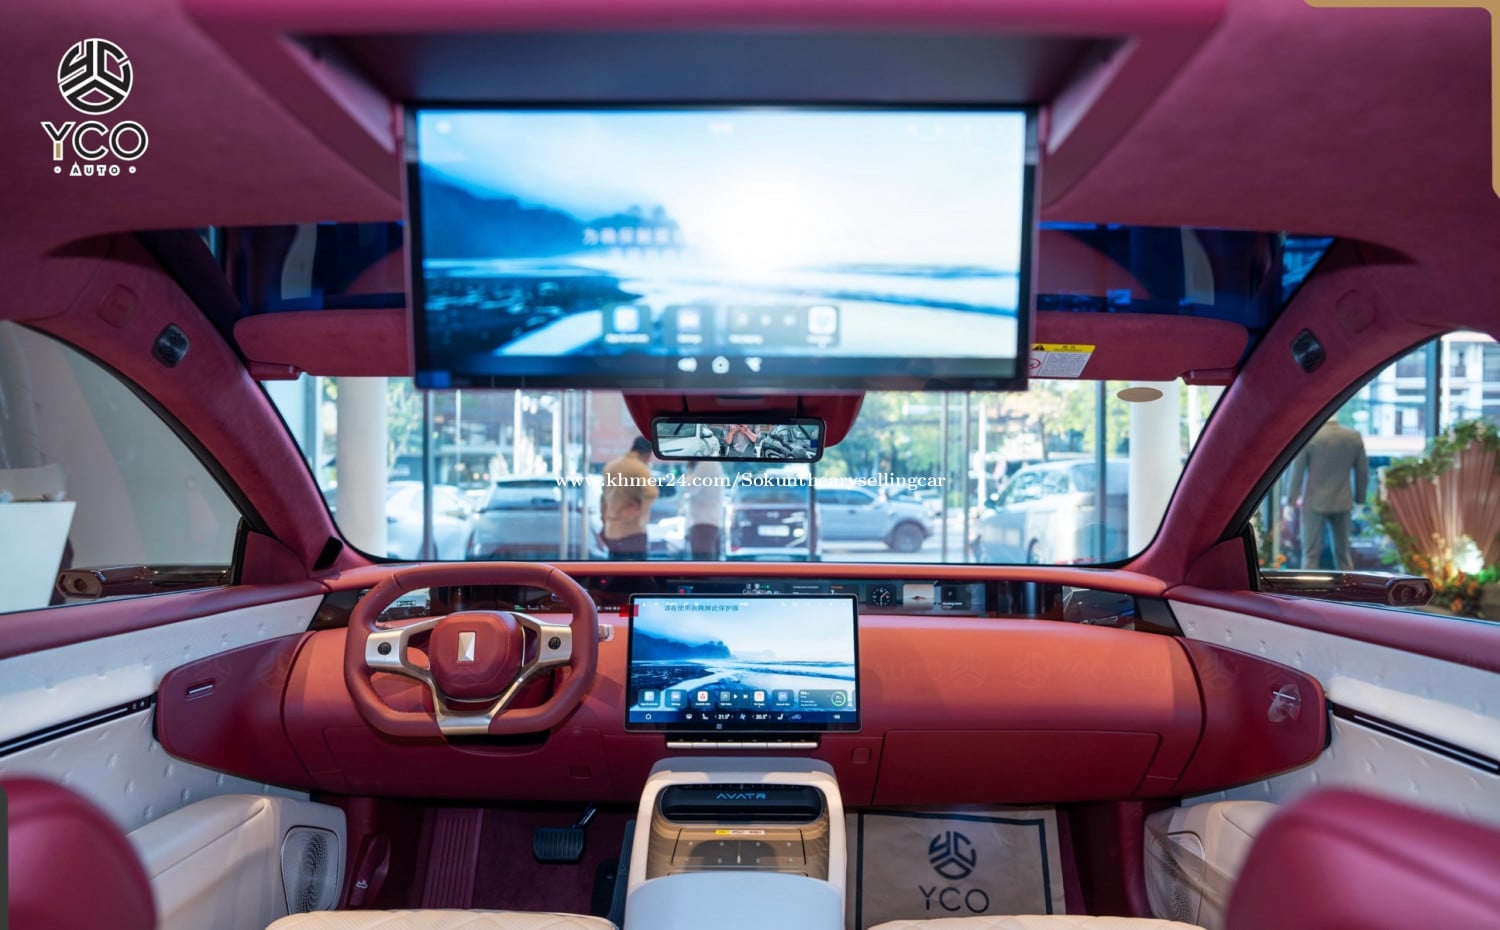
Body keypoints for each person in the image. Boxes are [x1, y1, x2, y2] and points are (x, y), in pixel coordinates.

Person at [1287, 417, 1368, 570]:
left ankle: (1307, 586)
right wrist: (1360, 501)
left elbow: (1297, 471)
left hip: (1314, 502)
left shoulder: (1309, 437)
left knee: (1310, 555)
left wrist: (1290, 502)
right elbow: (1362, 472)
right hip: (1343, 501)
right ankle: (1348, 585)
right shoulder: (1353, 437)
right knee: (1344, 556)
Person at [599, 436, 658, 560]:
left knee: (615, 569)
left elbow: (604, 500)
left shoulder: (610, 466)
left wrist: (604, 523)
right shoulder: (640, 468)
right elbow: (651, 493)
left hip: (612, 531)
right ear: (648, 453)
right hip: (633, 531)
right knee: (636, 570)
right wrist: (638, 509)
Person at [679, 459, 725, 560]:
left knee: (702, 564)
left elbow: (690, 487)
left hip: (703, 523)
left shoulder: (707, 464)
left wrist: (689, 469)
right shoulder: (710, 464)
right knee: (708, 563)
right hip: (707, 522)